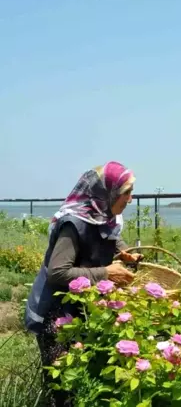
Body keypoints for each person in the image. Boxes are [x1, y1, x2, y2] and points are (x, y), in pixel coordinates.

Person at [24, 161, 141, 407]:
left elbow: (107, 236)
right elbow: (58, 272)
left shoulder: (104, 216)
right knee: (63, 389)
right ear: (106, 192)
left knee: (84, 384)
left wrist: (124, 253)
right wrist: (105, 273)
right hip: (55, 315)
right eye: (126, 192)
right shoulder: (73, 224)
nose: (130, 199)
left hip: (80, 309)